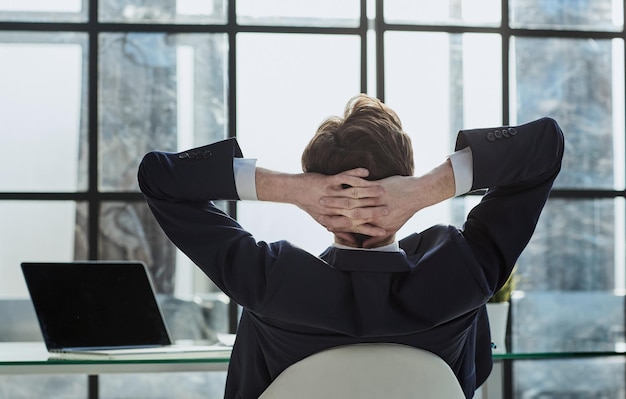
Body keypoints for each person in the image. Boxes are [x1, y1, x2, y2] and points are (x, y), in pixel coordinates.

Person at [138, 94, 564, 398]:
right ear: (404, 177)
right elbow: (544, 145)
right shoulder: (463, 272)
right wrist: (424, 190)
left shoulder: (272, 281)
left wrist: (291, 188)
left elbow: (160, 178)